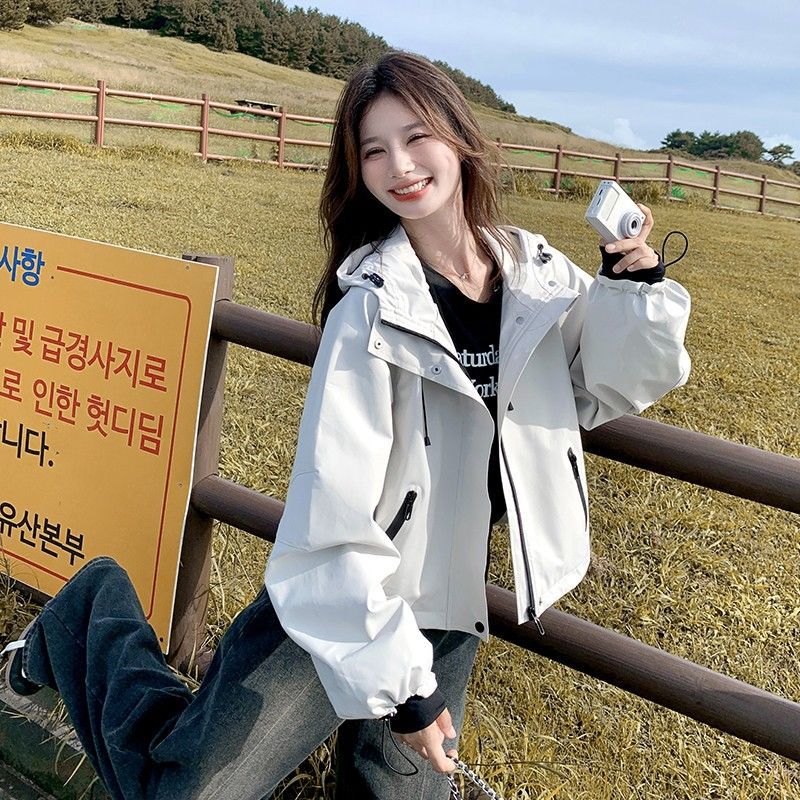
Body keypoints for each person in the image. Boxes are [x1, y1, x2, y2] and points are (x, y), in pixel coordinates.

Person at [1, 51, 691, 800]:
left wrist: (634, 289)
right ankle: (91, 611)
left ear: (460, 138)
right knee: (191, 792)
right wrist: (403, 689)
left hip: (449, 597)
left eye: (416, 137)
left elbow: (607, 384)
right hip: (341, 596)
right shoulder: (370, 309)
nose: (401, 165)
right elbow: (332, 511)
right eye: (374, 150)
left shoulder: (539, 276)